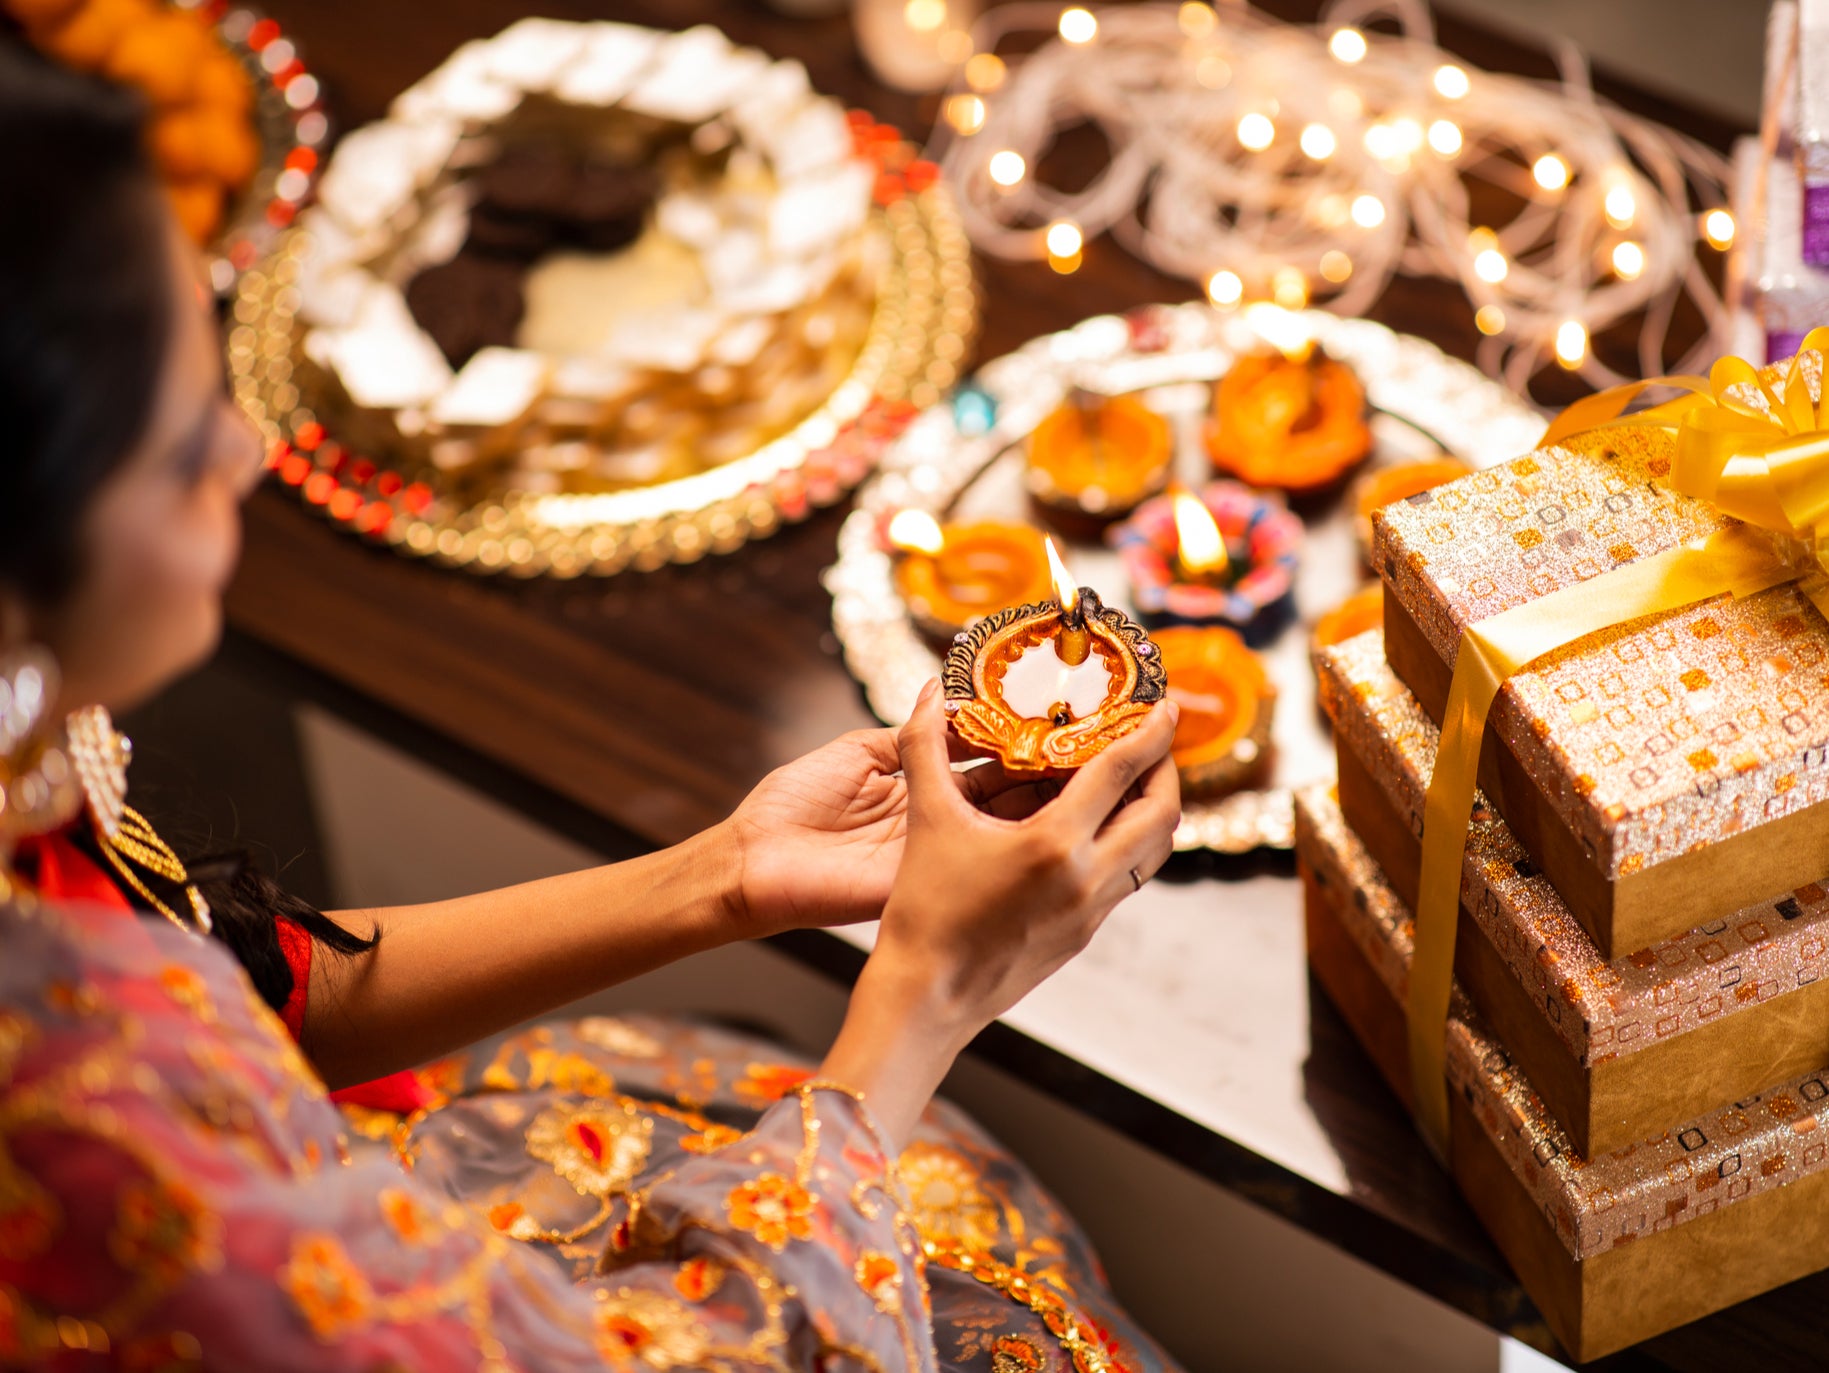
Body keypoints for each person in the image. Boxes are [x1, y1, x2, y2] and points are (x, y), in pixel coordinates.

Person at [0, 39, 1188, 1373]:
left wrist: (727, 875)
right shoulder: (84, 1148)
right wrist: (927, 989)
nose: (247, 446)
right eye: (175, 444)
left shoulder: (23, 778)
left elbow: (249, 988)